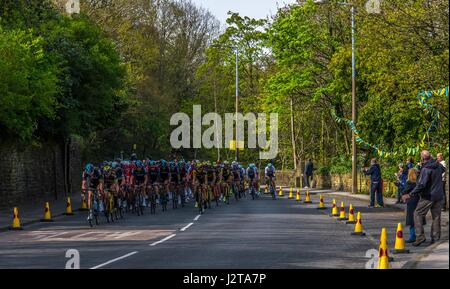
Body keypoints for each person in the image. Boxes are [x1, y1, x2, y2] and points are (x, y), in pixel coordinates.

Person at [403, 150, 444, 247]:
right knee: (436, 217)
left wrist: (411, 194)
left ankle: (420, 237)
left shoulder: (426, 169)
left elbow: (421, 184)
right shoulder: (438, 165)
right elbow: (443, 169)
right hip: (438, 195)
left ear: (422, 158)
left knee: (417, 214)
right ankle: (435, 238)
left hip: (428, 196)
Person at [401, 168, 424, 243]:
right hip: (419, 200)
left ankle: (412, 236)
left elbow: (405, 191)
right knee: (418, 218)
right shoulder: (419, 182)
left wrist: (400, 186)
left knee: (412, 220)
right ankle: (421, 235)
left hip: (411, 201)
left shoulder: (409, 182)